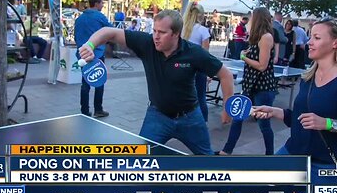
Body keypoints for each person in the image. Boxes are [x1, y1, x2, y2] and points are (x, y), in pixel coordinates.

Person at [252, 18, 337, 193]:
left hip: (327, 164)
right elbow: (302, 119)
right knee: (255, 191)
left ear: (336, 42)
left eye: (316, 37)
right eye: (310, 37)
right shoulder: (308, 77)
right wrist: (275, 112)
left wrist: (328, 124)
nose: (309, 42)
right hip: (294, 152)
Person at [78, 9, 234, 155]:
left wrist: (227, 107)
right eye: (154, 31)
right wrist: (90, 45)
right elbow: (109, 32)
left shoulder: (193, 52)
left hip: (190, 118)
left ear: (176, 34)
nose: (156, 36)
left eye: (162, 32)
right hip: (158, 116)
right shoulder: (147, 44)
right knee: (140, 161)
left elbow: (225, 75)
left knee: (206, 160)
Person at [217, 7, 277, 156]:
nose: (249, 20)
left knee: (264, 125)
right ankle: (226, 151)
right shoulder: (256, 37)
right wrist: (246, 54)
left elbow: (262, 66)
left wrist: (244, 58)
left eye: (252, 18)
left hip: (262, 87)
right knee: (237, 118)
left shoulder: (266, 37)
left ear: (257, 19)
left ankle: (270, 155)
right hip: (250, 86)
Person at [74, 0, 111, 118]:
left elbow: (76, 37)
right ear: (96, 4)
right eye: (102, 3)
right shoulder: (100, 17)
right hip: (97, 54)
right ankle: (98, 109)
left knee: (85, 83)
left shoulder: (79, 19)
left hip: (82, 54)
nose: (103, 5)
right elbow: (111, 31)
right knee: (99, 81)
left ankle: (84, 111)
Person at [182, 1, 210, 122]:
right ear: (201, 15)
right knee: (200, 97)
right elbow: (205, 55)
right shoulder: (203, 30)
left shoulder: (182, 29)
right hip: (198, 69)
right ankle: (202, 122)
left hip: (182, 66)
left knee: (184, 96)